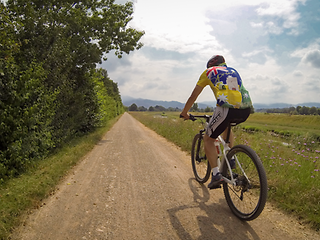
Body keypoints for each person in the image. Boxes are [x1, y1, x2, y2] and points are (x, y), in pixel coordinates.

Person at [180, 55, 253, 189]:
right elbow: (233, 92)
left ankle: (216, 174)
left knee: (208, 139)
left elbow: (193, 96)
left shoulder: (208, 72)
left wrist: (184, 113)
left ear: (210, 66)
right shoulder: (232, 71)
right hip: (246, 109)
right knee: (226, 126)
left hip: (226, 109)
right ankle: (230, 159)